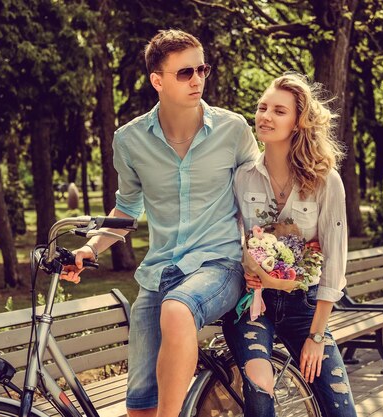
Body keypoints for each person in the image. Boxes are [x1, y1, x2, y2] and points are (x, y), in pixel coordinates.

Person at [62, 30, 259, 417]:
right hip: (158, 273)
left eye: (202, 69)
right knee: (139, 402)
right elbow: (126, 210)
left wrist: (263, 254)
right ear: (157, 80)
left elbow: (258, 199)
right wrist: (88, 248)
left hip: (218, 265)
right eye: (185, 72)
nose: (198, 79)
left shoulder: (233, 130)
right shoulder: (130, 140)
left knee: (178, 308)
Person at [222, 73, 357, 417]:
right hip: (253, 306)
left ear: (298, 122)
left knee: (340, 408)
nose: (265, 116)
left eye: (279, 111)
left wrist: (316, 337)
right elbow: (228, 235)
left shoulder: (326, 181)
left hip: (305, 308)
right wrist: (246, 264)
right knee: (260, 392)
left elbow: (334, 261)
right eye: (262, 107)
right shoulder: (242, 177)